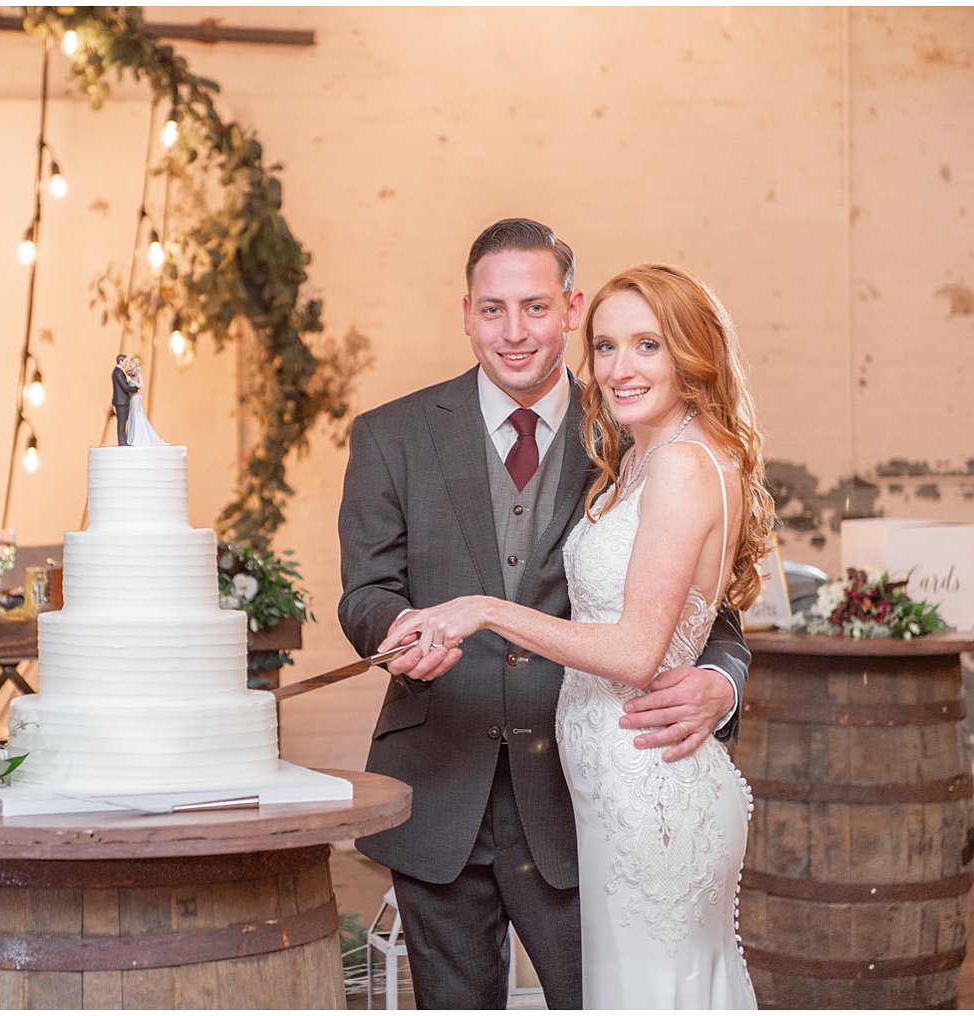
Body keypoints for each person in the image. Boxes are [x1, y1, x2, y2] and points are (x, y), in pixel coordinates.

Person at [337, 219, 751, 1009]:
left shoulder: (631, 431)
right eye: (493, 310)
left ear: (571, 308)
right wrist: (398, 637)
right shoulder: (391, 436)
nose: (514, 331)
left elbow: (710, 606)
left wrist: (720, 686)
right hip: (440, 781)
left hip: (582, 802)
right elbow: (365, 593)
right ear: (466, 314)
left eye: (535, 306)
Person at [121, 356, 167, 446]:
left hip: (136, 398)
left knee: (137, 415)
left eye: (132, 365)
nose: (130, 366)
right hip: (131, 398)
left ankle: (139, 437)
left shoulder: (138, 374)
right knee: (132, 417)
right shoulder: (129, 373)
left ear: (135, 366)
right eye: (130, 364)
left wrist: (131, 381)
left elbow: (141, 386)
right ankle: (132, 437)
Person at [111, 354, 137, 446]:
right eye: (125, 362)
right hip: (121, 402)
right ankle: (122, 442)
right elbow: (125, 387)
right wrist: (135, 388)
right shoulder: (118, 373)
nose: (127, 363)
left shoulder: (120, 372)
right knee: (122, 422)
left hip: (122, 401)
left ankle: (124, 441)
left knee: (123, 421)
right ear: (120, 362)